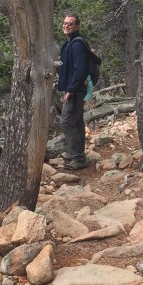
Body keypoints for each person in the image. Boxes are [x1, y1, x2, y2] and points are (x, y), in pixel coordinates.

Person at [57, 12, 90, 169]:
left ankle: (77, 157)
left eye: (70, 24)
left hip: (75, 90)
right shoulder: (70, 43)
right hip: (75, 89)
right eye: (65, 23)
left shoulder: (76, 44)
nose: (66, 26)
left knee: (66, 122)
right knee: (76, 122)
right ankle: (78, 155)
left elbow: (80, 69)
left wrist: (70, 90)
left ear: (77, 26)